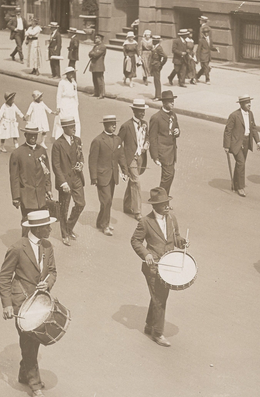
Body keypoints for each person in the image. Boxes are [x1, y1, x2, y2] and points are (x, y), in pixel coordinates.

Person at [0, 209, 57, 397]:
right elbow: (4, 277)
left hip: (39, 302)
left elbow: (53, 271)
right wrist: (7, 304)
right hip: (21, 301)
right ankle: (35, 384)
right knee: (28, 341)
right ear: (38, 229)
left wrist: (47, 283)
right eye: (47, 227)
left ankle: (24, 374)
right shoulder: (17, 248)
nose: (50, 229)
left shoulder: (47, 246)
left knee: (34, 340)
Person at [131, 186, 188, 347]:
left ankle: (150, 326)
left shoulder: (171, 218)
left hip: (168, 265)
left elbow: (175, 237)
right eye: (163, 204)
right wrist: (146, 254)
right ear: (155, 206)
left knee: (158, 297)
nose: (167, 206)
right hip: (153, 267)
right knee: (160, 299)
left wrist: (182, 242)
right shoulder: (145, 221)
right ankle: (158, 333)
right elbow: (135, 241)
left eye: (167, 203)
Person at [10, 123, 53, 237]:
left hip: (40, 195)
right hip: (26, 196)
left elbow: (47, 172)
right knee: (27, 222)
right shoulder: (17, 153)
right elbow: (14, 177)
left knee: (41, 223)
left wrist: (48, 189)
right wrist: (16, 197)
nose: (33, 137)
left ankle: (38, 246)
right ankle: (25, 246)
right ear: (25, 135)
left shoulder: (42, 151)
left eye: (35, 135)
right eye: (30, 135)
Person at [88, 115, 128, 236]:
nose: (114, 126)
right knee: (106, 200)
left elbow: (121, 156)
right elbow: (92, 161)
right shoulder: (98, 140)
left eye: (115, 123)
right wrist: (94, 177)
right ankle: (105, 225)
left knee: (107, 201)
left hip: (113, 175)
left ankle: (100, 221)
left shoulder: (117, 140)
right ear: (105, 125)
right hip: (101, 176)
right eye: (111, 124)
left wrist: (125, 171)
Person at [51, 117, 85, 246]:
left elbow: (80, 155)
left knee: (81, 203)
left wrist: (81, 164)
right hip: (65, 180)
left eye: (74, 126)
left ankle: (69, 227)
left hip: (77, 177)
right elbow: (56, 165)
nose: (74, 129)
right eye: (71, 127)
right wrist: (63, 183)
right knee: (64, 208)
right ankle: (64, 234)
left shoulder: (77, 140)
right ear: (64, 128)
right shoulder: (58, 144)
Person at [223, 95, 260, 197]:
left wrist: (258, 141)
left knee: (240, 164)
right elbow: (228, 131)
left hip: (246, 142)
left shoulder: (250, 114)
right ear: (241, 104)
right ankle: (240, 187)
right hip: (236, 143)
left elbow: (253, 128)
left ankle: (235, 184)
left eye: (250, 102)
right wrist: (226, 146)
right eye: (246, 102)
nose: (249, 104)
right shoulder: (234, 115)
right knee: (241, 163)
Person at [118, 99, 149, 221]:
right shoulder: (126, 126)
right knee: (136, 182)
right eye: (140, 111)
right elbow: (118, 144)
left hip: (140, 157)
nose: (142, 113)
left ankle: (126, 205)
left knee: (132, 181)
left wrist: (147, 144)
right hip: (130, 158)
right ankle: (138, 211)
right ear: (134, 111)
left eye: (143, 111)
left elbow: (148, 137)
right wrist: (122, 163)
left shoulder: (145, 124)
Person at [149, 90, 180, 195]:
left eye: (173, 101)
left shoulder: (173, 115)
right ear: (164, 103)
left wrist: (177, 131)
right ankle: (160, 199)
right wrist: (155, 156)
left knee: (169, 175)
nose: (172, 103)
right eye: (170, 101)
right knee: (168, 175)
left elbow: (176, 128)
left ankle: (163, 200)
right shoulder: (156, 118)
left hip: (172, 152)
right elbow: (152, 138)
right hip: (163, 152)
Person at [53, 67, 81, 140]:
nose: (71, 75)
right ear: (66, 74)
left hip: (72, 103)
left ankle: (75, 138)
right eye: (69, 73)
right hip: (64, 102)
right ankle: (60, 137)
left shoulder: (74, 83)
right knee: (63, 119)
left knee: (75, 120)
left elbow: (75, 94)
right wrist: (58, 106)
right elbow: (59, 95)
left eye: (72, 73)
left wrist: (77, 103)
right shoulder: (62, 82)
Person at [149, 35, 168, 101]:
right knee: (155, 80)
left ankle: (158, 96)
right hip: (154, 65)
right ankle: (157, 95)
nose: (153, 42)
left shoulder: (159, 48)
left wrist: (161, 64)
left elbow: (165, 57)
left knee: (157, 81)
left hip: (157, 65)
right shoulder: (154, 47)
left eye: (154, 41)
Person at [88, 33, 107, 99]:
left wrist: (93, 53)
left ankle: (102, 94)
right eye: (95, 38)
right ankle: (96, 92)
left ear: (100, 39)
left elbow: (96, 54)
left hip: (99, 66)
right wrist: (93, 53)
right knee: (94, 80)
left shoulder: (103, 46)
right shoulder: (95, 46)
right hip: (94, 65)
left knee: (100, 80)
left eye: (97, 38)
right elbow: (90, 53)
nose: (95, 39)